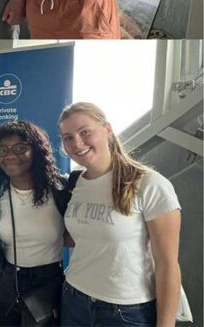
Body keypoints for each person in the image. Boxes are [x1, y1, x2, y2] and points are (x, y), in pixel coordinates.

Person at [58, 102, 181, 326]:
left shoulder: (150, 184)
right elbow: (83, 237)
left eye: (85, 132)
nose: (77, 143)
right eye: (68, 137)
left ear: (107, 130)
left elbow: (167, 265)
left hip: (126, 311)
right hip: (74, 299)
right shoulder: (75, 183)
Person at [0, 121, 67, 326]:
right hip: (7, 283)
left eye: (20, 148)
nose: (10, 155)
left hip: (47, 285)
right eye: (2, 150)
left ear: (36, 151)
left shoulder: (60, 191)